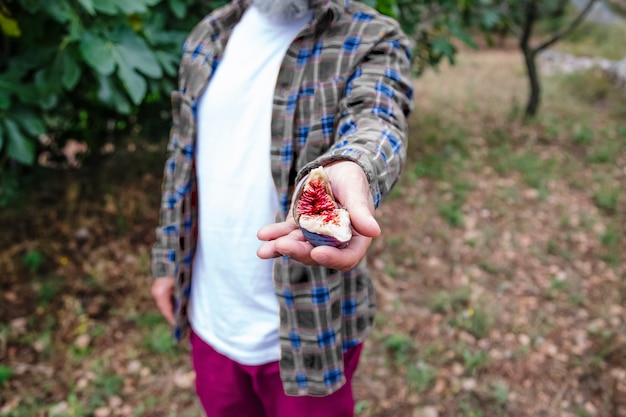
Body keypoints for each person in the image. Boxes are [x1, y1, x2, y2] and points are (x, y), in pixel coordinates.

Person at [150, 0, 414, 415]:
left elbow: (378, 119)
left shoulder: (371, 36)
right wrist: (167, 260)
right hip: (212, 316)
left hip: (310, 329)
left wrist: (355, 166)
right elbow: (180, 158)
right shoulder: (209, 34)